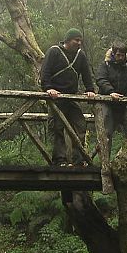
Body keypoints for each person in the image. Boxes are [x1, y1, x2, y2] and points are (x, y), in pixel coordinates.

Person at [40, 28, 96, 166]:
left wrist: (90, 90)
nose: (79, 43)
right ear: (68, 40)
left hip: (71, 97)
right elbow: (45, 72)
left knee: (80, 125)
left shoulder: (80, 55)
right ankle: (60, 160)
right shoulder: (54, 51)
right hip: (56, 98)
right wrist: (48, 88)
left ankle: (79, 160)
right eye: (76, 40)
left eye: (80, 41)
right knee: (57, 128)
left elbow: (86, 74)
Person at [95, 41, 127, 142]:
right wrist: (110, 92)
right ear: (113, 54)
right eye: (118, 55)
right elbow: (101, 79)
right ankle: (105, 158)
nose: (120, 58)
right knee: (106, 135)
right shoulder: (105, 65)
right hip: (108, 103)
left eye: (122, 55)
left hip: (125, 104)